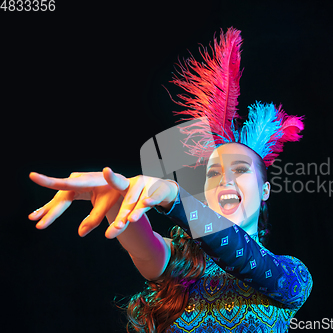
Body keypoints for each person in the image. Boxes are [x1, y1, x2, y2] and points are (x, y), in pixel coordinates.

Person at [29, 28, 312, 332]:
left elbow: (245, 256)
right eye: (213, 173)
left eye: (241, 170)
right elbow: (142, 245)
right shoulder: (178, 265)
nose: (225, 180)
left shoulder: (292, 276)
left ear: (265, 189)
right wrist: (117, 200)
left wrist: (173, 196)